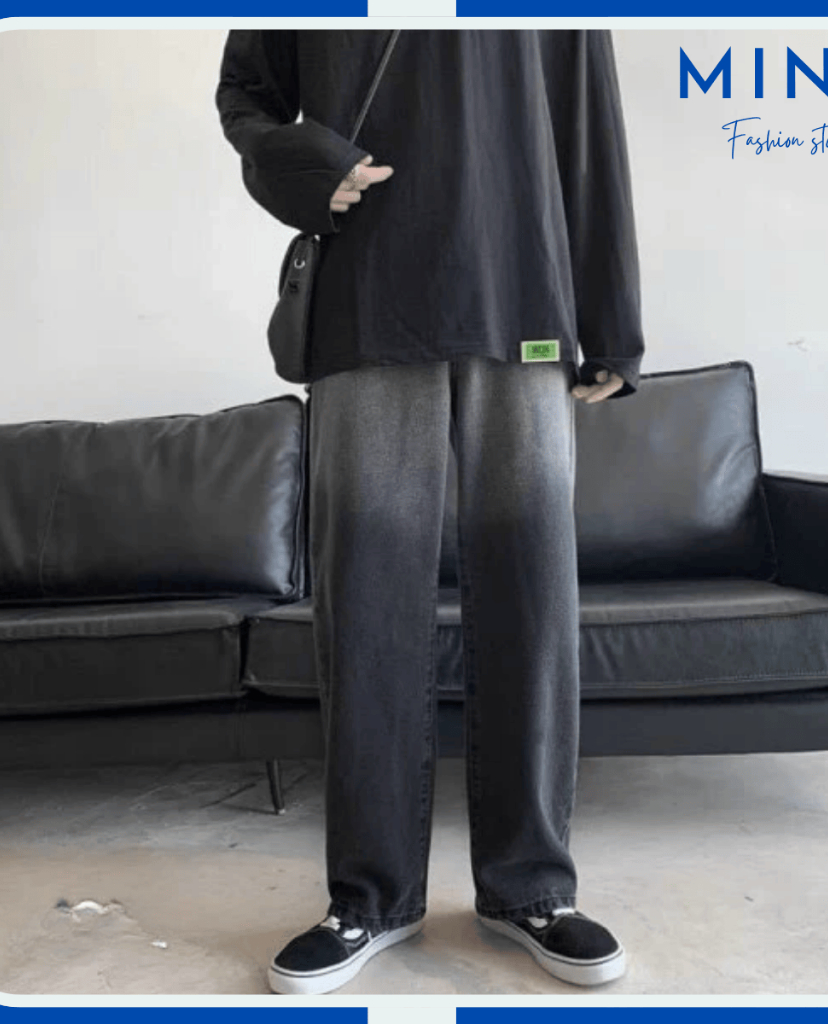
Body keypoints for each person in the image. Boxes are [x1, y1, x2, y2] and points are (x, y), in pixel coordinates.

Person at [216, 28, 644, 995]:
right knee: (367, 607)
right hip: (367, 297)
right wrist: (304, 165)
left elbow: (587, 124)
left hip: (525, 301)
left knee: (533, 601)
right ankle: (369, 896)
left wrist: (612, 320)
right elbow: (246, 90)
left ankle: (534, 887)